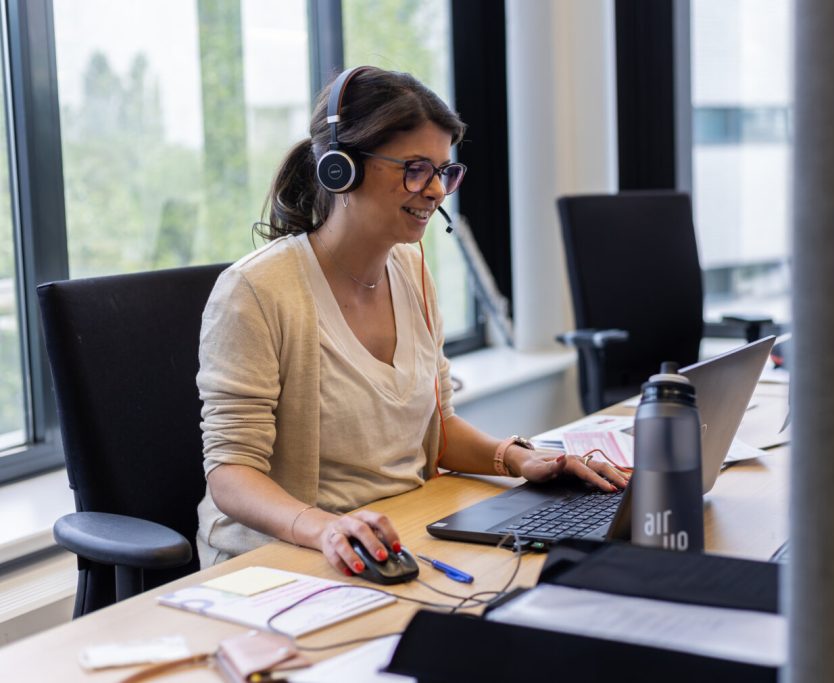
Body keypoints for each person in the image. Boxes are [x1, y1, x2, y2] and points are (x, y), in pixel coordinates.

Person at [195, 66, 628, 576]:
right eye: (416, 168)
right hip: (282, 556)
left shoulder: (410, 267)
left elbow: (438, 429)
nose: (437, 191)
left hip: (402, 532)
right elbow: (231, 474)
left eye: (445, 171)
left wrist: (519, 460)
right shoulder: (256, 291)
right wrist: (324, 527)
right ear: (341, 168)